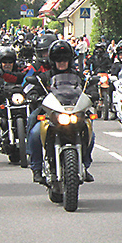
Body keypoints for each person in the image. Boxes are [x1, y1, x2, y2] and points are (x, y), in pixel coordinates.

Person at [26, 39, 97, 185]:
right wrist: (33, 95)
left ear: (70, 60)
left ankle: (84, 165)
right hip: (52, 114)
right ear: (53, 60)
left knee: (89, 131)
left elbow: (89, 86)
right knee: (35, 133)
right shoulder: (45, 77)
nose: (62, 62)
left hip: (74, 112)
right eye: (58, 59)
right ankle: (36, 168)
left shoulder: (79, 76)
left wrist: (93, 93)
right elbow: (34, 87)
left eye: (65, 59)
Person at [0, 48, 28, 147]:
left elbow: (27, 79)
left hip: (21, 104)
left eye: (10, 62)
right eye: (4, 62)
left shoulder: (20, 71)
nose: (7, 64)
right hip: (4, 105)